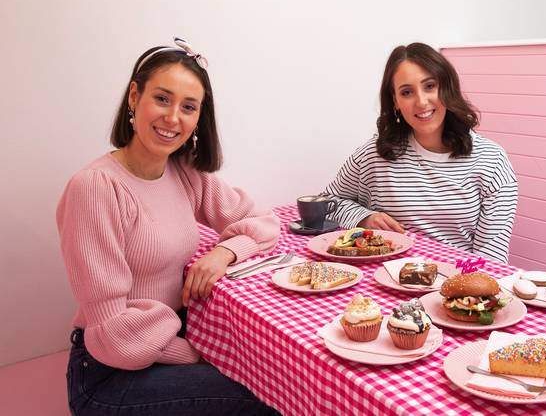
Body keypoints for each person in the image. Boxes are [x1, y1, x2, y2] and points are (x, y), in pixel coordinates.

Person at [56, 38, 281, 415]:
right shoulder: (95, 187)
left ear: (198, 119)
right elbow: (115, 333)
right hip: (111, 372)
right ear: (134, 96)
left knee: (274, 375)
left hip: (165, 344)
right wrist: (199, 354)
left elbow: (263, 222)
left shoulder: (184, 172)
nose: (173, 118)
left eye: (188, 107)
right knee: (270, 395)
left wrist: (225, 252)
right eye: (162, 99)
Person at [324, 42, 518, 262]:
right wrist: (364, 218)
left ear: (447, 89)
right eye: (407, 92)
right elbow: (327, 203)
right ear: (395, 101)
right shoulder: (375, 153)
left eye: (430, 86)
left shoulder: (491, 161)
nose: (421, 102)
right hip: (380, 281)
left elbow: (491, 259)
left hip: (454, 287)